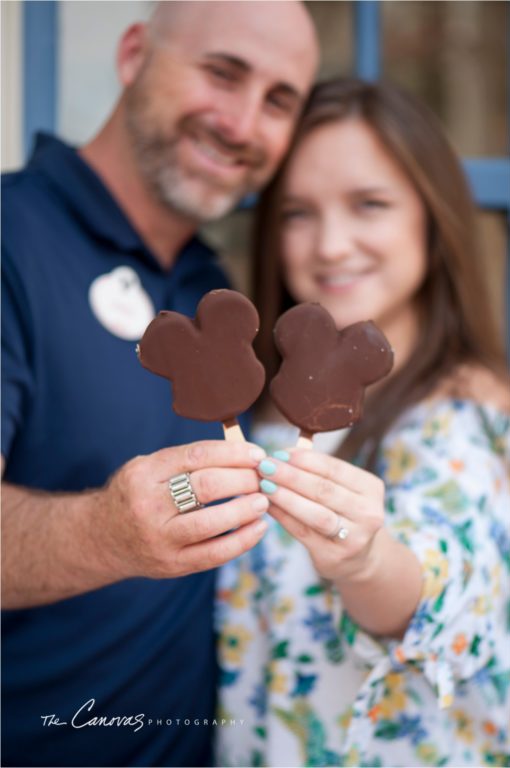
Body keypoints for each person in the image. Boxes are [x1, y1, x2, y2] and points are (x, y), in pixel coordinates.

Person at [0, 3, 318, 765]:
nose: (243, 125)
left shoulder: (216, 289)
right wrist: (108, 532)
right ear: (134, 53)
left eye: (278, 101)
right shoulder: (11, 236)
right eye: (221, 73)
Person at [215, 78, 510, 767]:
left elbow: (445, 583)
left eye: (369, 205)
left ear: (431, 219)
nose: (331, 245)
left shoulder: (467, 416)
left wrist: (366, 560)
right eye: (297, 213)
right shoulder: (253, 414)